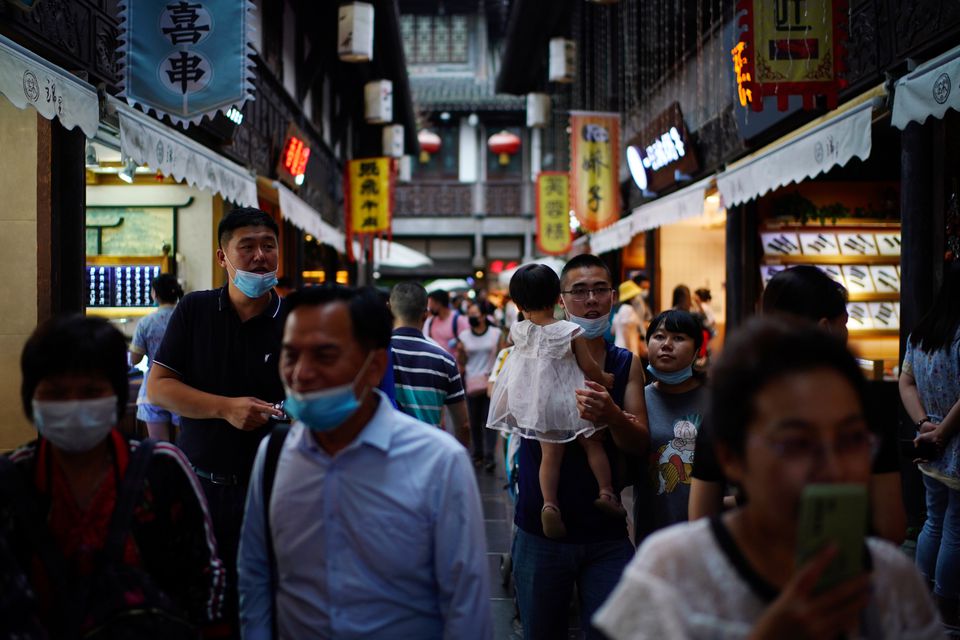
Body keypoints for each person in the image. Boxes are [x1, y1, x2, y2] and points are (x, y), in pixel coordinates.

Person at [594, 317, 942, 639]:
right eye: (796, 443)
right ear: (731, 458)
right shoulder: (669, 575)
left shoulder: (890, 580)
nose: (833, 467)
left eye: (851, 439)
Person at [237, 285, 492, 639]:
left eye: (325, 355)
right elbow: (255, 573)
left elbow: (466, 606)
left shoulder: (439, 463)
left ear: (374, 366)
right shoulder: (276, 455)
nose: (301, 374)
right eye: (290, 355)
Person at [0, 315, 225, 637]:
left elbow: (205, 578)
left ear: (118, 397)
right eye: (56, 393)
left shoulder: (162, 469)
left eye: (91, 391)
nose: (74, 405)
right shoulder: (12, 481)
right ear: (31, 398)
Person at [689, 265, 907, 545]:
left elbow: (700, 521)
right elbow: (891, 528)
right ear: (825, 328)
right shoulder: (861, 406)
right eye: (845, 323)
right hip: (845, 568)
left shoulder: (732, 403)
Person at [148, 207, 286, 635]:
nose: (260, 256)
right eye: (247, 247)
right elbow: (159, 387)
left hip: (275, 490)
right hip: (200, 486)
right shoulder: (195, 311)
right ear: (222, 256)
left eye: (268, 246)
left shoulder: (294, 322)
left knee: (270, 598)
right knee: (203, 599)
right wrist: (226, 408)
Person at [511, 254, 649, 640]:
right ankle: (551, 504)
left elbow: (640, 443)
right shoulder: (531, 349)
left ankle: (602, 494)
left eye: (601, 289)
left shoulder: (626, 364)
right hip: (539, 534)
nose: (591, 300)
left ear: (612, 296)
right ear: (561, 298)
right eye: (580, 291)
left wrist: (614, 414)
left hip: (605, 535)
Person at [487, 264, 622, 540]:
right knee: (593, 442)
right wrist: (605, 378)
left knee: (549, 457)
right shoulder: (570, 331)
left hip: (538, 404)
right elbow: (588, 367)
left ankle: (549, 505)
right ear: (558, 298)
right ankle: (606, 492)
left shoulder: (518, 331)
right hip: (571, 400)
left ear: (518, 303)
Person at [899, 261, 960, 626]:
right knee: (955, 526)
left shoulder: (920, 334)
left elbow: (906, 383)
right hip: (950, 445)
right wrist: (943, 432)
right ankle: (948, 613)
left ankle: (921, 604)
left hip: (929, 445)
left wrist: (924, 424)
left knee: (933, 521)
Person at [632, 309, 707, 545]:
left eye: (678, 338)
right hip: (654, 533)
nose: (667, 344)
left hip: (706, 534)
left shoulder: (717, 400)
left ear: (697, 350)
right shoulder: (637, 401)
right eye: (659, 336)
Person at [388, 281, 469, 446]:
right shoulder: (445, 359)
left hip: (387, 455)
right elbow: (463, 425)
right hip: (431, 455)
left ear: (389, 309)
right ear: (425, 314)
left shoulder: (375, 353)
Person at [129, 273, 184, 441]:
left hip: (153, 389)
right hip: (184, 389)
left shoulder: (146, 322)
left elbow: (135, 359)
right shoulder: (185, 318)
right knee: (185, 451)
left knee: (160, 449)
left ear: (154, 293)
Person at [457, 300, 502, 471]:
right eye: (469, 315)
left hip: (490, 382)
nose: (471, 317)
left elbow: (501, 355)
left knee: (489, 421)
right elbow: (462, 361)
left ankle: (489, 456)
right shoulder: (464, 336)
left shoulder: (495, 333)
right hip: (471, 382)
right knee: (474, 422)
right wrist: (460, 353)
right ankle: (478, 454)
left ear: (483, 316)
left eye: (474, 314)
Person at [423, 289, 470, 360]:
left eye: (431, 303)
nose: (429, 307)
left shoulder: (458, 320)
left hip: (454, 367)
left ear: (438, 304)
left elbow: (467, 344)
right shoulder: (431, 321)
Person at [612, 280, 642, 357]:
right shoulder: (628, 309)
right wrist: (629, 350)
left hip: (619, 346)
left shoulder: (619, 309)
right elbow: (625, 330)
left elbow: (613, 331)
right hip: (627, 347)